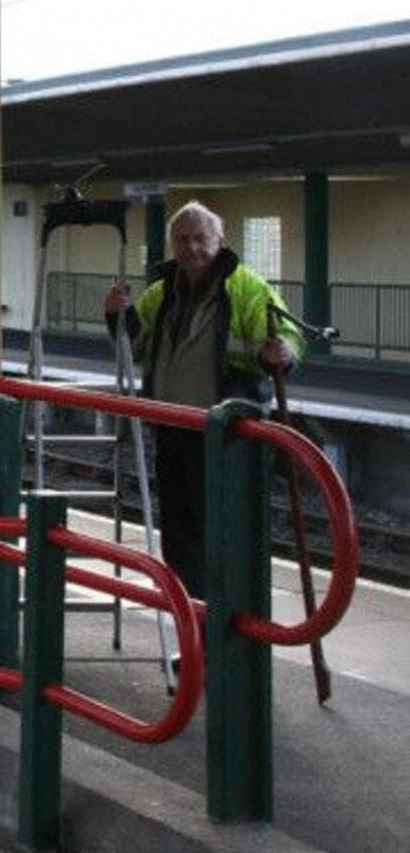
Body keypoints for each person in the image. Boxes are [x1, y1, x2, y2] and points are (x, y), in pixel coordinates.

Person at [104, 201, 301, 596]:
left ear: (220, 241)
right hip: (172, 429)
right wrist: (117, 316)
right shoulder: (162, 292)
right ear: (172, 245)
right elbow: (136, 346)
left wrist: (283, 353)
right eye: (182, 240)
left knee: (218, 535)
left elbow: (288, 337)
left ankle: (219, 636)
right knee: (179, 537)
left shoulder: (249, 288)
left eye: (200, 239)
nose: (191, 248)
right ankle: (192, 631)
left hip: (222, 436)